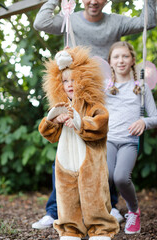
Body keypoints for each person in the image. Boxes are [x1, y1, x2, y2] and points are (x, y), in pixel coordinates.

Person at [32, 0, 156, 229]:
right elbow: (41, 22)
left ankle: (108, 207)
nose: (94, 1)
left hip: (107, 94)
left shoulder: (116, 22)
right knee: (67, 150)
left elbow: (148, 20)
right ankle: (54, 210)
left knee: (102, 155)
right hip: (77, 92)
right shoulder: (72, 18)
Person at [38, 46, 119, 240]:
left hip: (89, 162)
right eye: (65, 81)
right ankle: (71, 229)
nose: (70, 84)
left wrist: (79, 122)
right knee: (67, 196)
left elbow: (100, 125)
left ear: (85, 79)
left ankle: (100, 229)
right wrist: (52, 121)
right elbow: (49, 133)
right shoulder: (61, 105)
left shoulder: (93, 105)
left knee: (94, 196)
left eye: (74, 79)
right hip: (66, 160)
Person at [105, 41, 157, 234]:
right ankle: (102, 214)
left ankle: (134, 211)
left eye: (125, 56)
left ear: (133, 60)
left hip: (129, 141)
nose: (121, 60)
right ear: (109, 61)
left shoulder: (141, 87)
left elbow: (155, 117)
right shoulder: (105, 87)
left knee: (120, 177)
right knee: (106, 175)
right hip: (108, 140)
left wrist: (144, 122)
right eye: (116, 57)